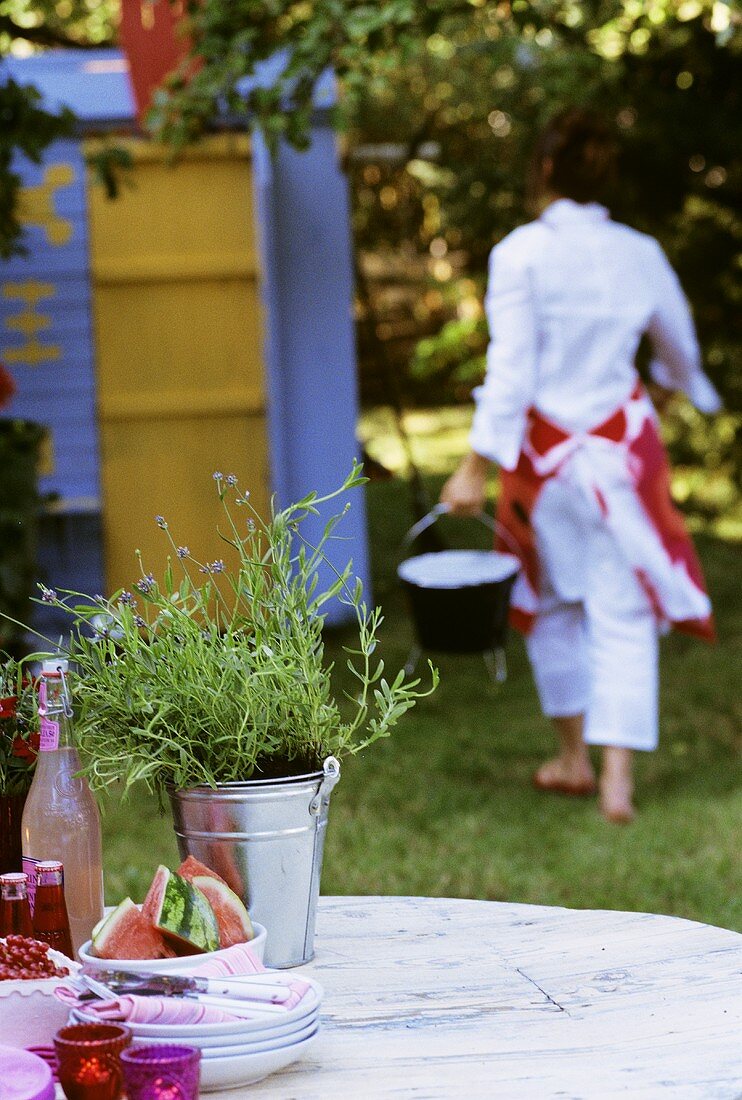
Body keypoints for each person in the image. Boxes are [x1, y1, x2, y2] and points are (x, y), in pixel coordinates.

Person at [440, 108, 721, 824]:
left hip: (543, 467)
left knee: (557, 608)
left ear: (541, 171)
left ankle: (572, 759)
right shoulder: (641, 252)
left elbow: (511, 374)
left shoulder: (520, 254)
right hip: (626, 454)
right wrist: (664, 385)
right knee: (623, 610)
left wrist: (473, 467)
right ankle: (616, 784)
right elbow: (681, 348)